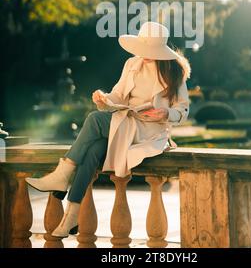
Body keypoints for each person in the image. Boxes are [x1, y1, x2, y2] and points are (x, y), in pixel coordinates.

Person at [26, 21, 191, 238]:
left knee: (95, 120)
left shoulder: (174, 70)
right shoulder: (132, 64)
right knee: (93, 151)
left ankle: (62, 174)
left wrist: (167, 114)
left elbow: (183, 108)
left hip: (150, 130)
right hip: (126, 122)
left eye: (150, 51)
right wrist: (104, 98)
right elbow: (118, 95)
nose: (146, 55)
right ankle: (71, 216)